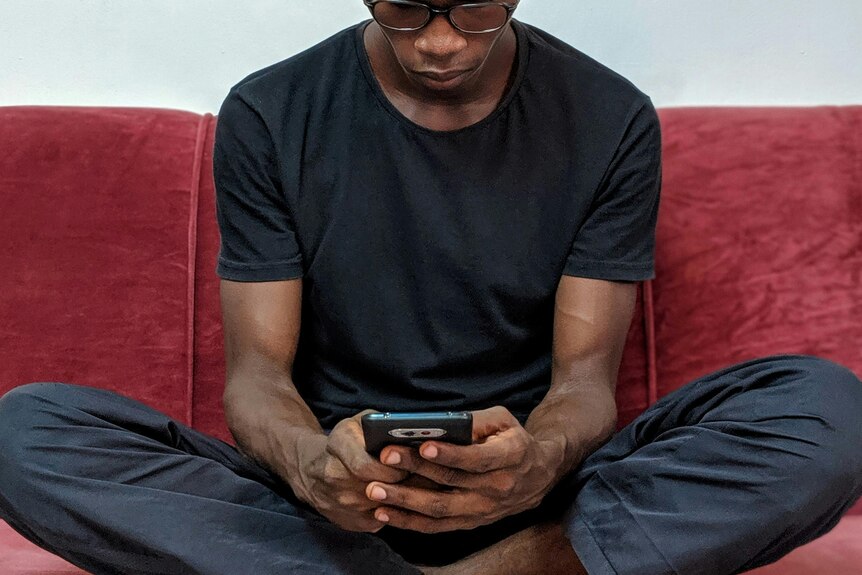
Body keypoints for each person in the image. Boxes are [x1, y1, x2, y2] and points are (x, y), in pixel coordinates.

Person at [0, 1, 861, 574]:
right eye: (405, 7)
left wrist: (534, 467)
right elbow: (257, 377)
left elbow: (584, 383)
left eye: (474, 8)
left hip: (539, 493)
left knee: (827, 410)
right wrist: (312, 467)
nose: (441, 41)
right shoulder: (269, 112)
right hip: (331, 507)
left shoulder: (609, 117)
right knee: (21, 431)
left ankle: (522, 559)